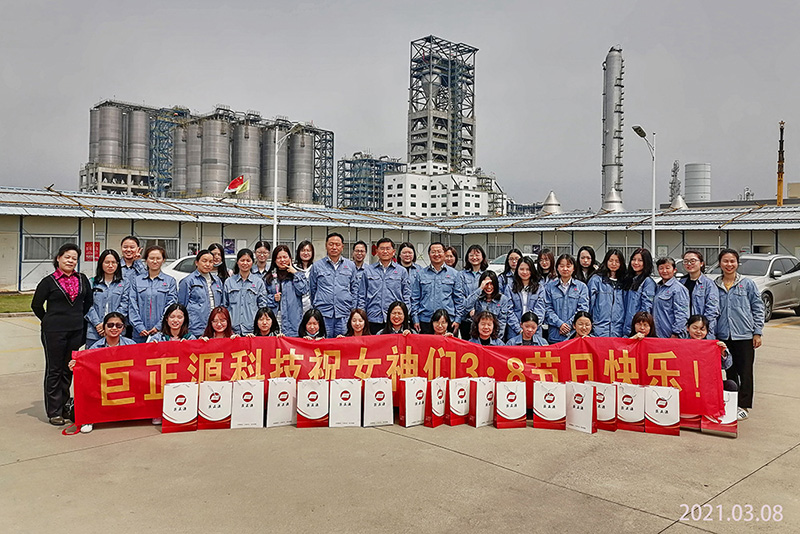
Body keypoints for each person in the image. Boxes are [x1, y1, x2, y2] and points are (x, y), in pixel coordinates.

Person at [31, 243, 93, 426]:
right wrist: (49, 320)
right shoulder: (48, 282)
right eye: (67, 257)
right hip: (54, 332)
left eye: (74, 258)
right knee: (54, 370)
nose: (70, 261)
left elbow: (88, 302)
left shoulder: (82, 279)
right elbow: (36, 305)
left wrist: (76, 318)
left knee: (68, 369)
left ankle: (65, 405)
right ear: (58, 258)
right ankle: (54, 411)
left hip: (76, 331)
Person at [715, 248, 764, 420]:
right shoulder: (715, 285)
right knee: (730, 371)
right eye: (725, 261)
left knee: (745, 372)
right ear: (720, 263)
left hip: (744, 335)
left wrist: (757, 332)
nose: (729, 264)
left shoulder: (747, 284)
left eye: (732, 261)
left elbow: (758, 308)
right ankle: (732, 402)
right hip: (723, 336)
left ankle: (744, 406)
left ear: (737, 263)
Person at [70, 311, 136, 433]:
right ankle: (88, 419)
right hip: (104, 385)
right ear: (104, 327)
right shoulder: (95, 347)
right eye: (110, 325)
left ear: (123, 328)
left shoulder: (131, 345)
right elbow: (86, 368)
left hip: (126, 383)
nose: (114, 328)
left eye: (118, 325)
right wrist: (76, 365)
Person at [309, 232, 360, 337]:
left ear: (342, 247)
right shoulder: (317, 266)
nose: (334, 247)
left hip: (344, 313)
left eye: (337, 244)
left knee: (343, 343)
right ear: (326, 246)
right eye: (331, 244)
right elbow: (312, 289)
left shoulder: (350, 266)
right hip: (323, 313)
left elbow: (354, 289)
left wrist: (352, 309)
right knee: (324, 342)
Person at [357, 237, 411, 334]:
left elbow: (406, 295)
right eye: (382, 249)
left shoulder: (401, 271)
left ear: (393, 252)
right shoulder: (368, 271)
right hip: (372, 318)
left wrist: (405, 316)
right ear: (377, 251)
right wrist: (362, 316)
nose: (385, 251)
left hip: (394, 320)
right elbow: (361, 295)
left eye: (388, 249)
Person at [411, 242, 464, 334]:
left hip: (447, 321)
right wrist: (415, 319)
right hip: (425, 320)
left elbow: (459, 299)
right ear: (429, 254)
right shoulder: (421, 274)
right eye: (433, 252)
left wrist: (458, 320)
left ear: (444, 253)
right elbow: (415, 298)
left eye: (439, 251)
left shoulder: (454, 274)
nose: (436, 254)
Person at [128, 245, 178, 343]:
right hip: (139, 333)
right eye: (151, 258)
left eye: (158, 258)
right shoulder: (137, 280)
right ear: (146, 260)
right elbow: (132, 305)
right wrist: (139, 327)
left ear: (163, 260)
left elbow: (170, 306)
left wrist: (159, 326)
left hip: (161, 332)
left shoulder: (170, 281)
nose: (155, 261)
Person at [85, 249, 129, 348]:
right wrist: (98, 324)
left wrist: (111, 324)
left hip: (116, 331)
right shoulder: (92, 282)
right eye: (107, 262)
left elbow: (125, 305)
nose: (110, 265)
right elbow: (88, 305)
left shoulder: (124, 284)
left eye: (113, 262)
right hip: (95, 331)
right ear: (101, 264)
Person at [684, 314, 738, 393]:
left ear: (707, 331)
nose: (698, 331)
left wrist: (723, 353)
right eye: (695, 328)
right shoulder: (681, 345)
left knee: (731, 385)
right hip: (687, 382)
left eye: (702, 329)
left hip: (708, 382)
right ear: (688, 328)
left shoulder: (713, 346)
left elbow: (727, 365)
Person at [543, 254, 589, 343]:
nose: (565, 269)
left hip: (574, 334)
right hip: (555, 334)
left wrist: (569, 325)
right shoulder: (549, 287)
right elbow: (547, 309)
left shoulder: (581, 287)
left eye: (568, 266)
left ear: (574, 268)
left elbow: (583, 309)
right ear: (557, 268)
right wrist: (560, 324)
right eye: (562, 266)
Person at [265, 245, 309, 337]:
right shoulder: (269, 278)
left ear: (290, 258)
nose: (282, 260)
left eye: (285, 257)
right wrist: (273, 298)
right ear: (274, 260)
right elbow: (262, 298)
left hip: (293, 321)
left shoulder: (298, 275)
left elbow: (304, 290)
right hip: (274, 319)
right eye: (279, 258)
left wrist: (295, 273)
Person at [178, 249, 223, 337]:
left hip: (215, 326)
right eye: (204, 261)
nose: (207, 264)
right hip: (196, 327)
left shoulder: (217, 281)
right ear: (197, 262)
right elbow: (182, 306)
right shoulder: (188, 281)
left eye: (211, 261)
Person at [223, 248, 268, 335]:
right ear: (237, 262)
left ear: (252, 262)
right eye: (242, 260)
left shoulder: (258, 282)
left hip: (252, 330)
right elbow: (225, 305)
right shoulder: (229, 282)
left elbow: (262, 306)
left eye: (248, 260)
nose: (245, 263)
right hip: (233, 330)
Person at [464, 270, 517, 340]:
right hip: (477, 338)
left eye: (491, 284)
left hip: (495, 339)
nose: (489, 287)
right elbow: (466, 306)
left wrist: (494, 340)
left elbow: (502, 322)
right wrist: (480, 289)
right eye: (486, 284)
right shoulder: (477, 297)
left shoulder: (502, 299)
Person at [588, 248, 627, 337]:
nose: (614, 264)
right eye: (611, 260)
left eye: (617, 261)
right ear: (606, 261)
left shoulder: (625, 282)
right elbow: (589, 304)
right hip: (599, 329)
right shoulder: (596, 280)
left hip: (618, 330)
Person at [681, 249, 720, 338]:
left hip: (701, 332)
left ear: (701, 263)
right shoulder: (681, 283)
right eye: (686, 261)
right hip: (684, 331)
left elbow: (712, 310)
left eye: (693, 261)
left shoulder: (709, 284)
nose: (689, 264)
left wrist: (703, 329)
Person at [506, 256, 546, 340]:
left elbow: (540, 310)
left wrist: (530, 328)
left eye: (528, 269)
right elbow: (508, 310)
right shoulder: (510, 287)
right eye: (521, 269)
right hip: (514, 332)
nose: (524, 272)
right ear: (517, 270)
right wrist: (519, 329)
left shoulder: (539, 288)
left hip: (534, 332)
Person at [653, 257, 690, 338]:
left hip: (671, 335)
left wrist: (676, 333)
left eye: (667, 268)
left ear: (674, 270)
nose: (664, 271)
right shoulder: (658, 287)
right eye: (661, 268)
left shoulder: (678, 289)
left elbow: (682, 314)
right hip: (658, 334)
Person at [622, 247, 657, 333]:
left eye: (640, 260)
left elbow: (646, 308)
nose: (636, 263)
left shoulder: (648, 282)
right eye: (633, 259)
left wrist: (641, 326)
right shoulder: (629, 279)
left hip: (636, 329)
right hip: (623, 327)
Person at [458, 244, 488, 339]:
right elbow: (460, 296)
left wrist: (477, 311)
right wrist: (469, 309)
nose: (474, 257)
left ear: (482, 257)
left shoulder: (487, 275)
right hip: (465, 318)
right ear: (467, 257)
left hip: (483, 319)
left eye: (477, 255)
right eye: (471, 255)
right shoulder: (461, 275)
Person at [294, 240, 315, 313]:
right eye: (303, 250)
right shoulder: (293, 268)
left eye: (308, 251)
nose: (306, 253)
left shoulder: (315, 268)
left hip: (311, 307)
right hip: (296, 306)